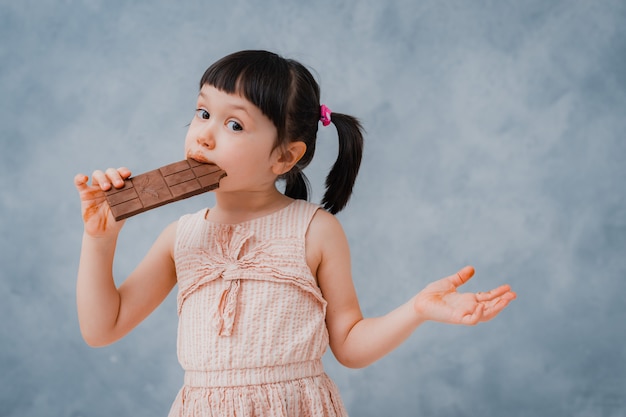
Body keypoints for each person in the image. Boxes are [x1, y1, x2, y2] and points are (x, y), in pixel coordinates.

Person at [74, 50, 516, 417]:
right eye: (203, 112)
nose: (205, 136)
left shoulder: (315, 231)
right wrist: (100, 240)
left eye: (234, 124)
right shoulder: (181, 236)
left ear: (284, 157)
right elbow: (102, 328)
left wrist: (417, 309)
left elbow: (349, 345)